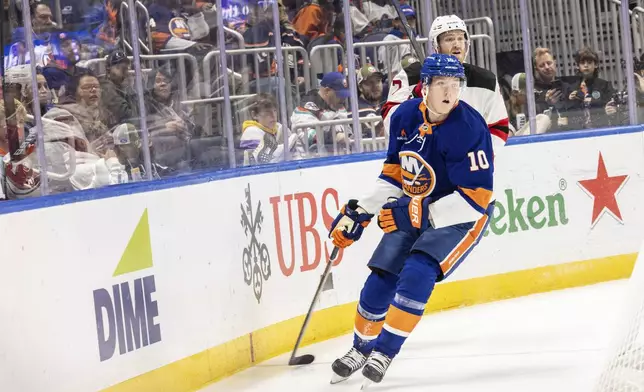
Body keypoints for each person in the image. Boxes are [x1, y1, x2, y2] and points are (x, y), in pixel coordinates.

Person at [328, 54, 495, 387]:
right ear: (425, 88)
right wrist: (361, 211)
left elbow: (476, 198)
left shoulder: (470, 127)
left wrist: (413, 213)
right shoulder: (404, 117)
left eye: (455, 84)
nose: (450, 92)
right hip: (415, 205)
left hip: (460, 217)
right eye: (442, 85)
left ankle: (384, 352)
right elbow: (393, 173)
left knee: (418, 270)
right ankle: (361, 348)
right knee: (381, 279)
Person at [382, 15, 510, 153]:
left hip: (470, 165)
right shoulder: (410, 76)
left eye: (460, 38)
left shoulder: (485, 80)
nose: (457, 44)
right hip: (423, 163)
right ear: (436, 45)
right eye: (449, 39)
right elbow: (391, 122)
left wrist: (476, 156)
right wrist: (419, 94)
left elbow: (499, 126)